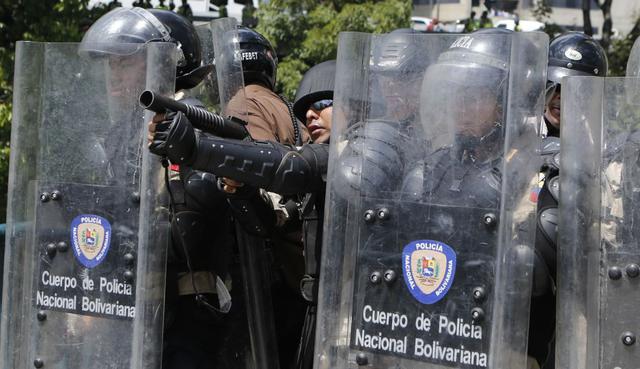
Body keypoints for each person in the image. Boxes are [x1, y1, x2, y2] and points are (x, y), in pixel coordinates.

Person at [533, 31, 608, 369]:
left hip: (580, 291)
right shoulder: (518, 141)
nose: (562, 98)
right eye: (556, 86)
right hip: (525, 298)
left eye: (576, 90)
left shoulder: (605, 151)